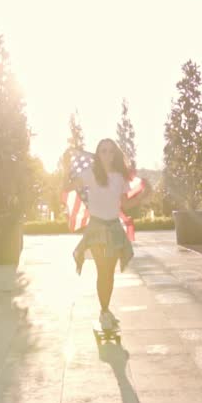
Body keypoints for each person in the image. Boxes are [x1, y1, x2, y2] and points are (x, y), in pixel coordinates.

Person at [65, 139, 151, 331]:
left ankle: (105, 310)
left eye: (111, 151)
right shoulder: (90, 174)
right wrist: (66, 171)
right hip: (96, 229)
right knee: (102, 270)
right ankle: (104, 312)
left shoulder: (119, 178)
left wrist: (142, 197)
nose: (107, 155)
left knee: (109, 274)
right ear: (98, 154)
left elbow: (124, 205)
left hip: (113, 229)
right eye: (103, 151)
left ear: (115, 155)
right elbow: (69, 187)